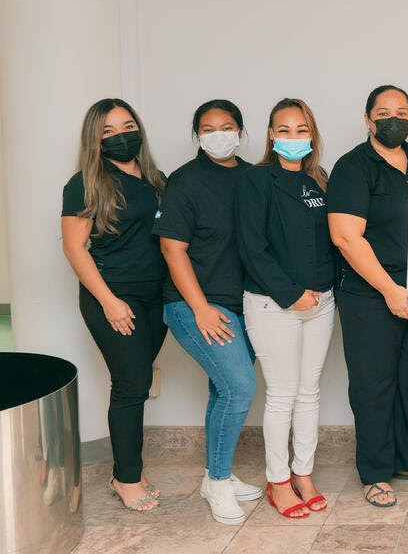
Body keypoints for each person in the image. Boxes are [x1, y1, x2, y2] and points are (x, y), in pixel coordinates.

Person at [328, 84, 408, 509]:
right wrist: (389, 289)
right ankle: (375, 472)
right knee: (373, 384)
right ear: (367, 120)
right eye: (384, 112)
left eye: (402, 111)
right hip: (370, 295)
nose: (393, 118)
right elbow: (345, 236)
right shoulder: (352, 167)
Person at [155, 99, 262, 524]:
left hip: (246, 305)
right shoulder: (186, 181)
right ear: (198, 135)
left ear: (241, 130)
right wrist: (200, 308)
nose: (219, 134)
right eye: (208, 128)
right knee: (239, 388)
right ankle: (218, 483)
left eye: (227, 126)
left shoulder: (255, 177)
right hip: (195, 305)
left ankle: (214, 475)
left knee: (224, 390)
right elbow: (171, 247)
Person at [61, 98, 166, 512]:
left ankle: (129, 470)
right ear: (95, 140)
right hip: (115, 296)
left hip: (157, 296)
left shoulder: (156, 178)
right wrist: (109, 302)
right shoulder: (85, 183)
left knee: (137, 382)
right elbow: (74, 248)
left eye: (127, 126)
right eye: (108, 131)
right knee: (130, 386)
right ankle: (126, 478)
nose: (121, 136)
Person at [237, 98, 335, 519]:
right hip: (274, 303)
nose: (293, 137)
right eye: (285, 129)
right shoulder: (256, 181)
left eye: (302, 129)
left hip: (322, 302)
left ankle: (304, 474)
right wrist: (292, 293)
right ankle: (278, 481)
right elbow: (252, 247)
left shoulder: (319, 181)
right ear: (271, 135)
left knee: (309, 393)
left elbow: (329, 241)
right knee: (282, 394)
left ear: (311, 135)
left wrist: (322, 291)